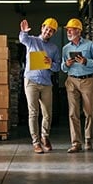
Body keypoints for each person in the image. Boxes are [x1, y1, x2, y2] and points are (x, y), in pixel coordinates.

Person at [61, 18, 93, 153]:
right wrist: (66, 65)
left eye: (71, 29)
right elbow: (63, 68)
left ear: (78, 31)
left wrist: (87, 61)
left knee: (89, 111)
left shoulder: (90, 45)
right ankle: (76, 143)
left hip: (87, 81)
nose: (69, 32)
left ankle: (88, 140)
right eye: (68, 30)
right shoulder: (65, 48)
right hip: (72, 81)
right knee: (73, 113)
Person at [19, 18, 61, 154]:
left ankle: (45, 136)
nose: (48, 32)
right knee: (33, 112)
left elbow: (57, 67)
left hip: (46, 83)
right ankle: (36, 142)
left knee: (47, 113)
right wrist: (23, 32)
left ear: (53, 33)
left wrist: (50, 63)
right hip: (31, 81)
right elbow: (22, 39)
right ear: (42, 27)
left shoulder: (54, 48)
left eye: (51, 31)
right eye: (47, 29)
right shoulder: (32, 40)